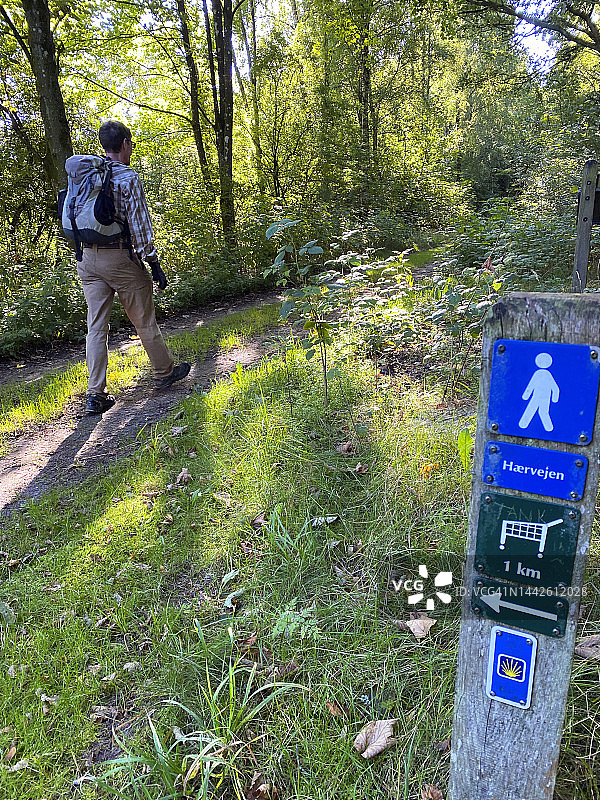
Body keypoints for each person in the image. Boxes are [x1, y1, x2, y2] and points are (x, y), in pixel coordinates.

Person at [77, 119, 190, 414]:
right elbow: (140, 229)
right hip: (120, 258)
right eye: (130, 145)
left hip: (87, 259)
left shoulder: (88, 175)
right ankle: (165, 373)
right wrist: (154, 264)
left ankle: (95, 394)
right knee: (143, 319)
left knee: (96, 327)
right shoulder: (127, 178)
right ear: (125, 143)